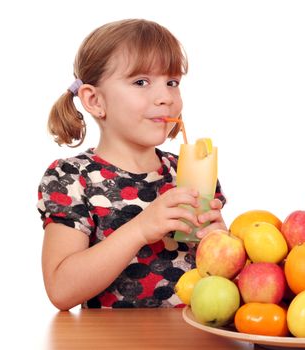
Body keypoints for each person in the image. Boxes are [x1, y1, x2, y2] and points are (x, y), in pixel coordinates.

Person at [37, 19, 227, 310]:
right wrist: (140, 229)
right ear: (94, 100)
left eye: (172, 82)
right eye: (141, 82)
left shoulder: (187, 172)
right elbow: (61, 291)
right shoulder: (72, 178)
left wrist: (219, 242)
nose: (165, 98)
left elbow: (221, 279)